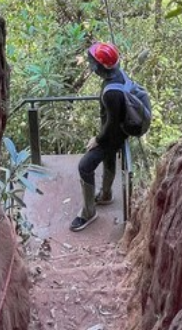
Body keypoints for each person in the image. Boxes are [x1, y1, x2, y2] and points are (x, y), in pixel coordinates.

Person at [70, 42, 128, 232]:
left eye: (93, 62)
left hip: (112, 135)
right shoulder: (118, 77)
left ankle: (88, 212)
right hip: (119, 134)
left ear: (100, 67)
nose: (90, 64)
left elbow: (111, 124)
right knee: (109, 158)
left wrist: (97, 140)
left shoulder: (111, 93)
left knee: (85, 166)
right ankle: (105, 194)